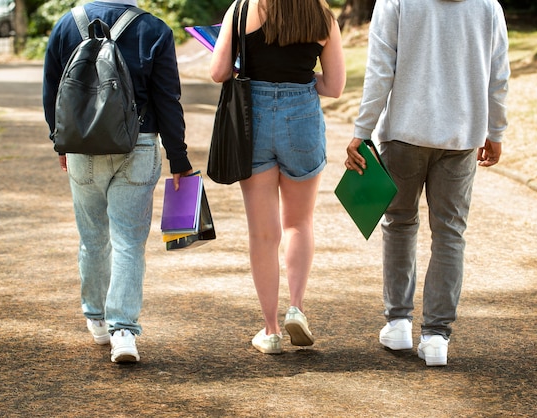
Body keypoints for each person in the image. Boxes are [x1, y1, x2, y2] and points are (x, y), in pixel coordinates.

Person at [345, 0, 510, 366]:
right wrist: (495, 130)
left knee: (400, 224)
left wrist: (362, 130)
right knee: (450, 233)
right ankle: (436, 336)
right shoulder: (488, 6)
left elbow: (379, 70)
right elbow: (498, 74)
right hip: (462, 137)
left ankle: (399, 322)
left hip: (405, 133)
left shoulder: (397, 1)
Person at [42, 0, 192, 363]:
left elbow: (52, 90)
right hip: (138, 144)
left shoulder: (66, 24)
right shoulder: (154, 29)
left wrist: (59, 140)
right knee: (128, 240)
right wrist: (178, 157)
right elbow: (167, 98)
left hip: (81, 146)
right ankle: (122, 330)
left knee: (92, 238)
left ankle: (95, 317)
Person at [210, 0, 345, 354]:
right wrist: (297, 79)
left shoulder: (241, 10)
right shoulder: (322, 15)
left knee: (263, 232)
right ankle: (296, 308)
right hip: (301, 114)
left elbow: (218, 71)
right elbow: (334, 86)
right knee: (299, 223)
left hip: (251, 118)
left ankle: (270, 331)